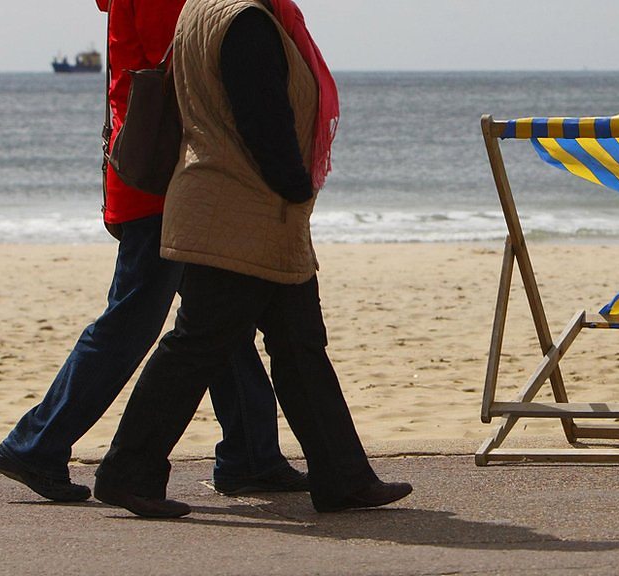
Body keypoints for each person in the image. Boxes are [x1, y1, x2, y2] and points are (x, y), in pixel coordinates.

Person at [93, 0, 412, 518]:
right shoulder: (245, 20)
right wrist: (295, 186)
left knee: (298, 343)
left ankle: (343, 477)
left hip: (232, 203)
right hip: (241, 210)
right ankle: (127, 471)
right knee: (199, 344)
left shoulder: (201, 9)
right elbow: (262, 120)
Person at [0, 0, 307, 503]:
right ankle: (36, 443)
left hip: (158, 176)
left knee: (216, 316)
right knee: (139, 318)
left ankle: (251, 454)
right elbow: (193, 65)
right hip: (165, 181)